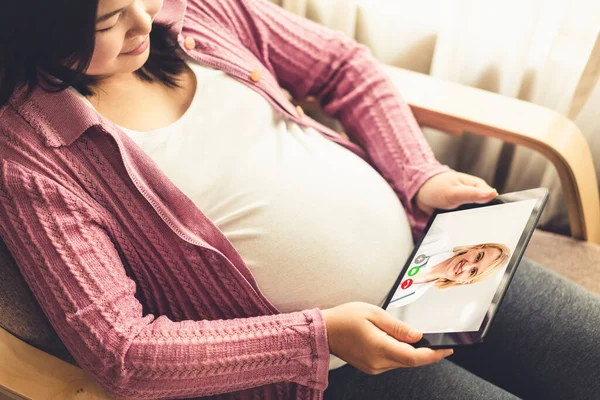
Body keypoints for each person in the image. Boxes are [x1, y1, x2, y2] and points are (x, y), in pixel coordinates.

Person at [0, 0, 598, 399]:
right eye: (107, 21)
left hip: (436, 264)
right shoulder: (31, 160)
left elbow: (343, 66)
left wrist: (417, 175)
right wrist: (316, 339)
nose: (146, 20)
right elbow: (121, 351)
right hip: (322, 374)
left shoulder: (195, 13)